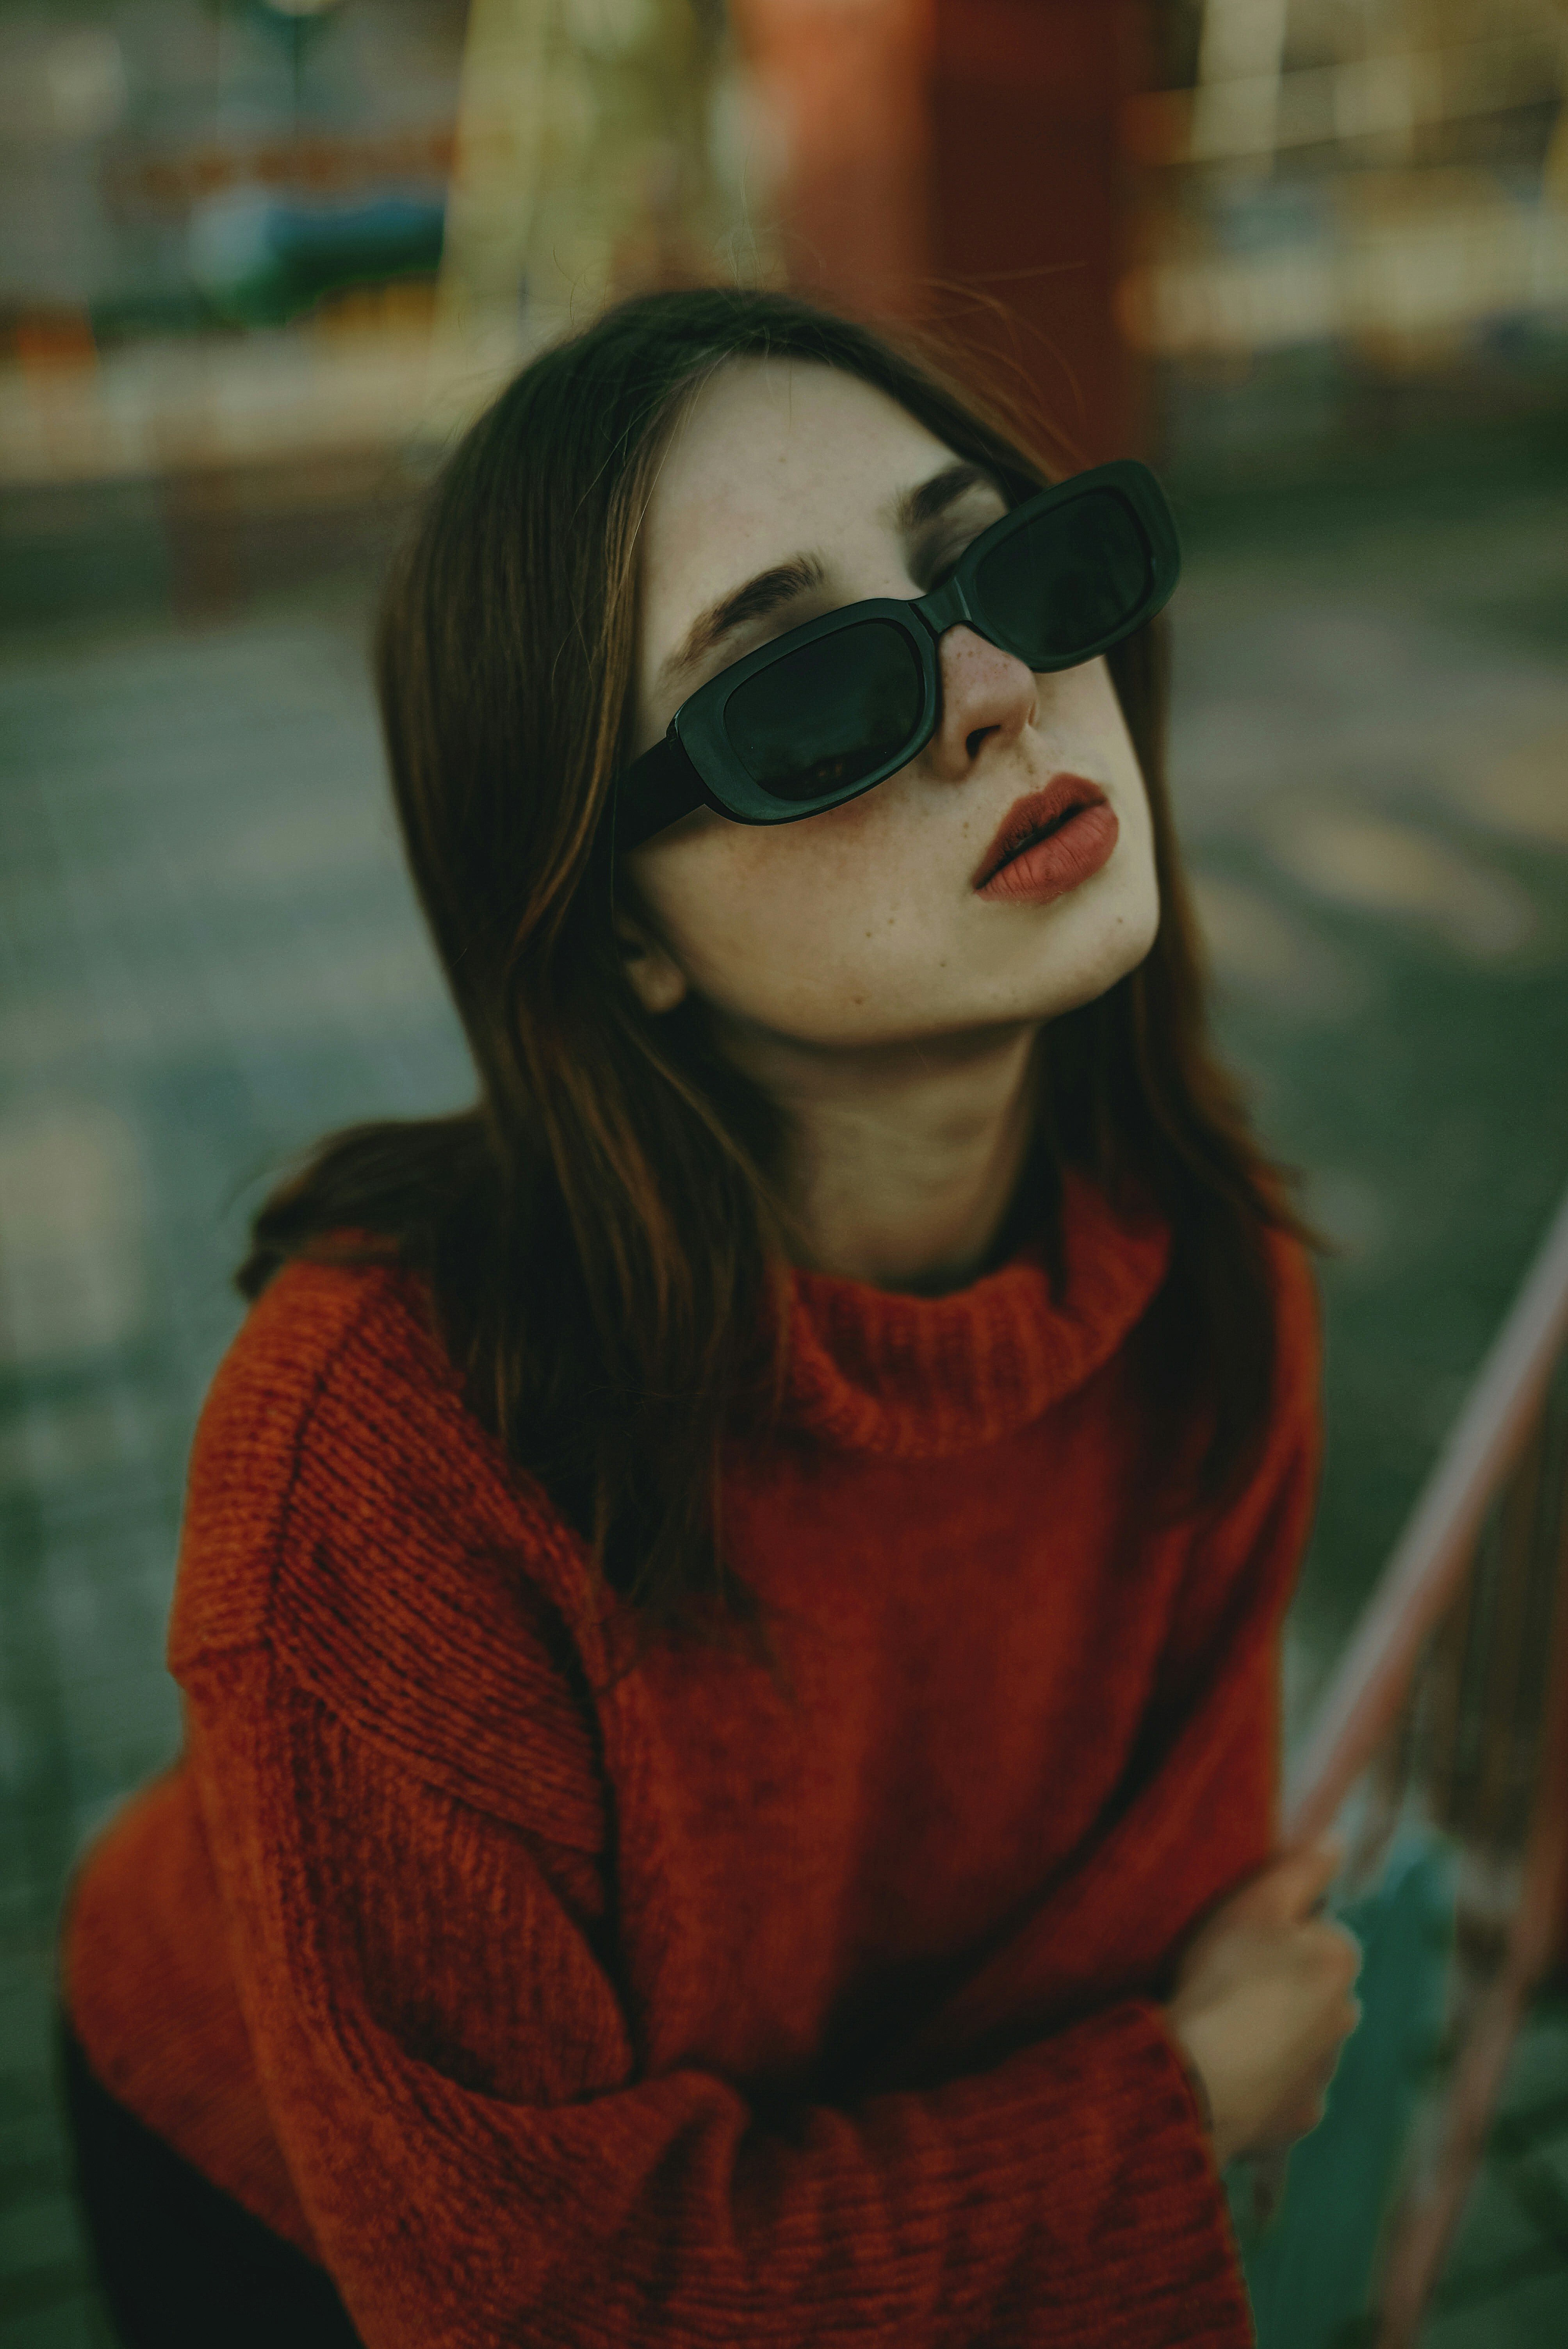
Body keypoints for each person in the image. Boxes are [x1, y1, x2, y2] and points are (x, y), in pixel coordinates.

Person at [59, 286, 1361, 2348]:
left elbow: (1132, 1961)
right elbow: (553, 2293)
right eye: (804, 695)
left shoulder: (1205, 1279)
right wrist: (1168, 2118)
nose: (1004, 690)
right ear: (610, 937)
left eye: (1002, 564)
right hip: (282, 2185)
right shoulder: (379, 1459)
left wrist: (1128, 2118)